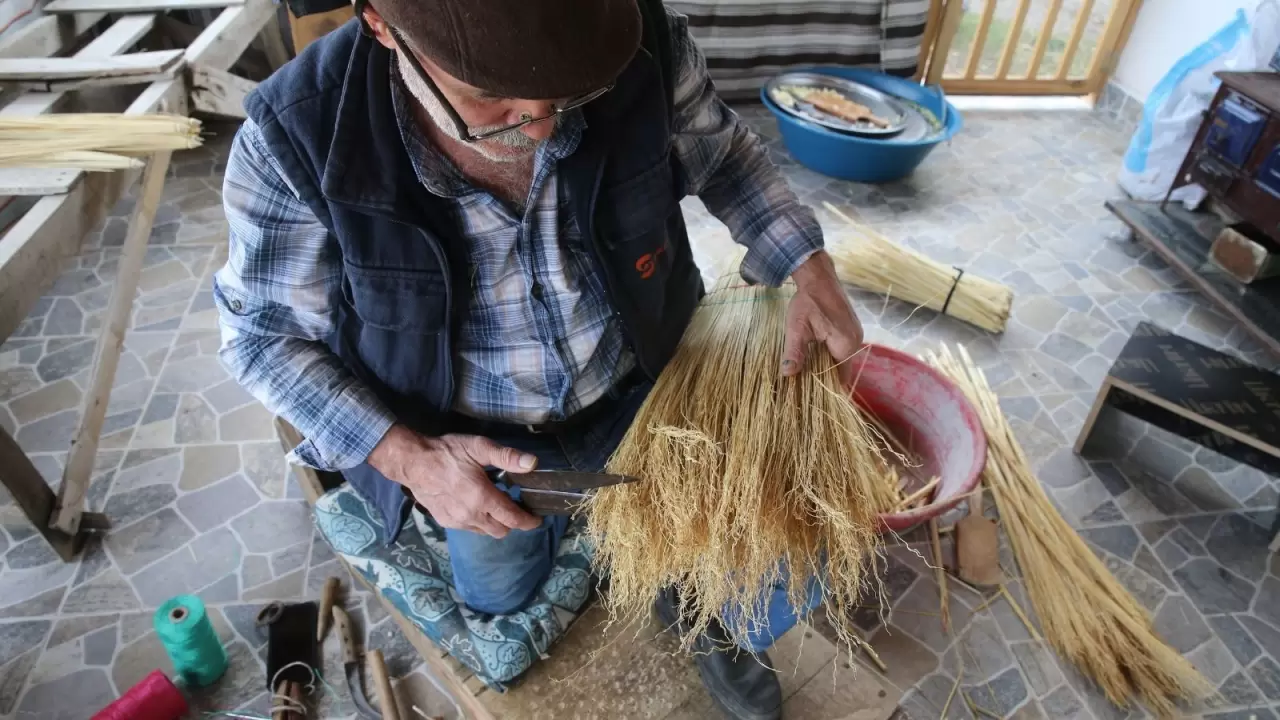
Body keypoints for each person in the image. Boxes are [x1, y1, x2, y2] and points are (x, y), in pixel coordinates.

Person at [213, 0, 864, 716]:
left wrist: (806, 263)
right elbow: (262, 336)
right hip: (472, 441)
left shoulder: (643, 42)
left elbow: (726, 157)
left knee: (715, 548)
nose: (546, 122)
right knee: (504, 595)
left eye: (568, 86)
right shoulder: (297, 135)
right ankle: (524, 546)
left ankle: (706, 617)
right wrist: (412, 461)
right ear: (381, 27)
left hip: (646, 389)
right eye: (488, 95)